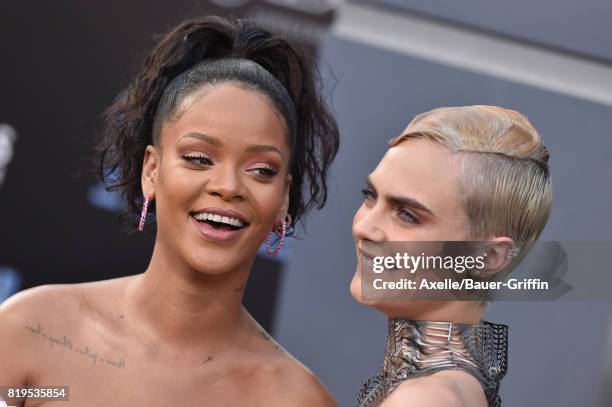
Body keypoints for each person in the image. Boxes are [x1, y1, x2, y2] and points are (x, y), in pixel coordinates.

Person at [0, 15, 339, 406]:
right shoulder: (33, 329)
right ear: (152, 171)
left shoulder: (294, 399)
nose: (227, 186)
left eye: (262, 170)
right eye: (198, 158)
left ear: (283, 199)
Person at [351, 106, 552, 406]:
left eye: (407, 215)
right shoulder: (453, 387)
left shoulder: (423, 400)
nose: (365, 227)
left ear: (489, 256)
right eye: (370, 196)